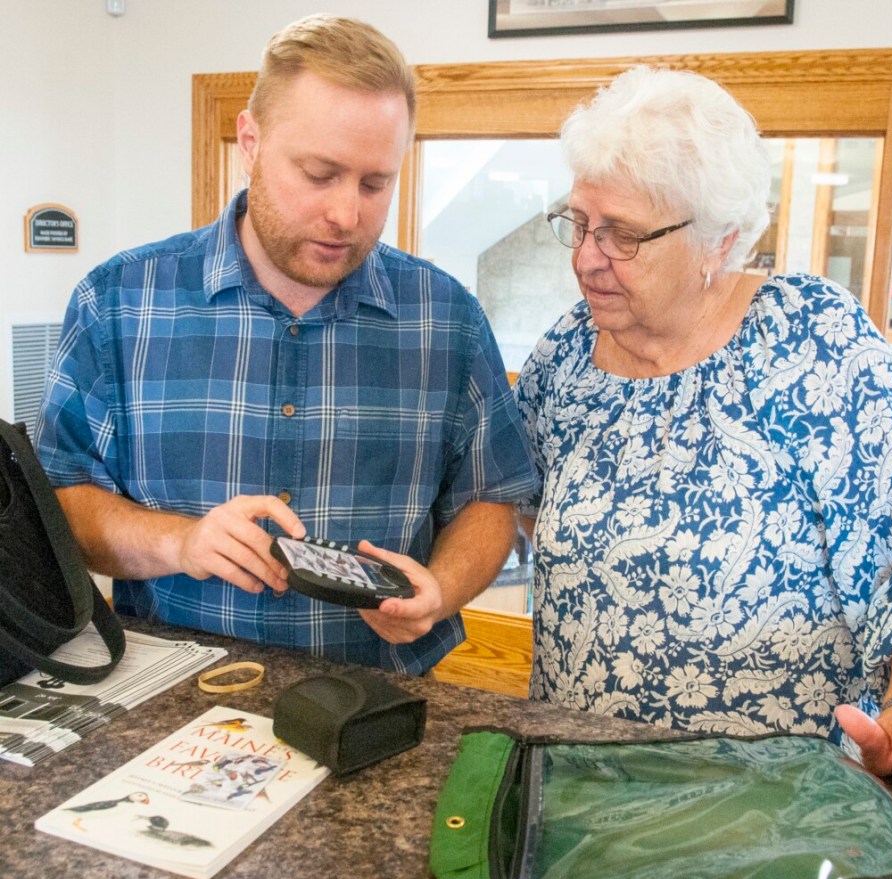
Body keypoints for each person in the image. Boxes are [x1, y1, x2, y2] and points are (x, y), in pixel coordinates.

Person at [513, 65, 892, 838]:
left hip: (774, 821)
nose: (585, 257)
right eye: (578, 222)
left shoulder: (819, 347)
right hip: (579, 803)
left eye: (623, 235)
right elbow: (521, 510)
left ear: (722, 240)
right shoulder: (564, 359)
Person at [35, 15, 536, 676]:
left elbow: (488, 499)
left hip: (378, 700)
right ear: (250, 140)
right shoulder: (121, 301)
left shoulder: (448, 319)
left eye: (374, 183)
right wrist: (183, 542)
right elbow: (65, 502)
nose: (346, 214)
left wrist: (442, 586)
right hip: (174, 701)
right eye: (320, 173)